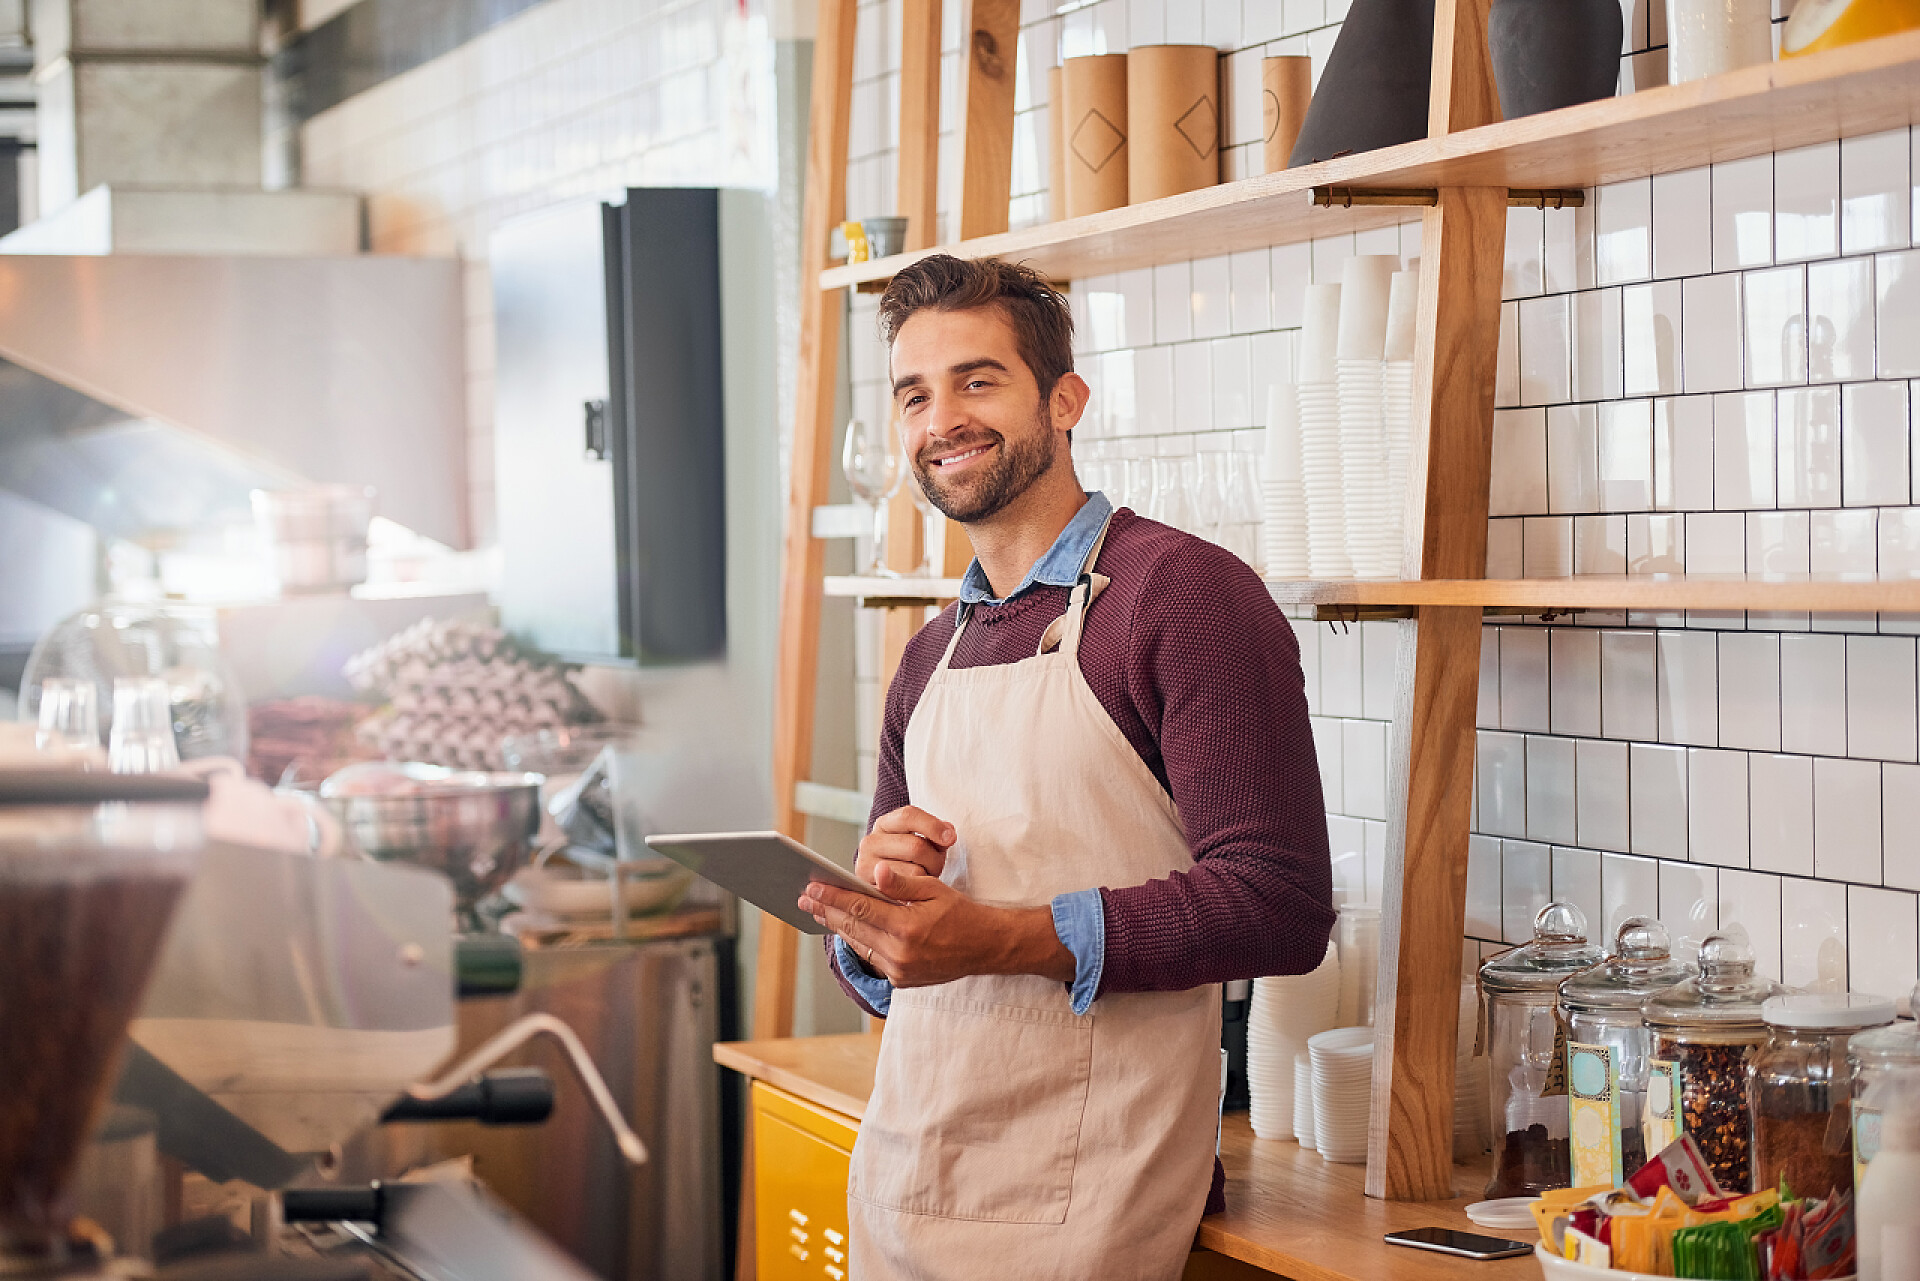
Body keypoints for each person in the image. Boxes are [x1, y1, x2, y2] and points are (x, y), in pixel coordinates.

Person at [797, 254, 1335, 1280]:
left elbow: (1279, 904)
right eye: (916, 394)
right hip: (909, 1193)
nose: (942, 418)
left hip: (1097, 1205)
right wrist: (875, 921)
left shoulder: (1187, 599)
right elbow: (881, 974)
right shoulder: (929, 654)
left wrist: (998, 938)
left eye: (978, 380)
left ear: (1066, 399)